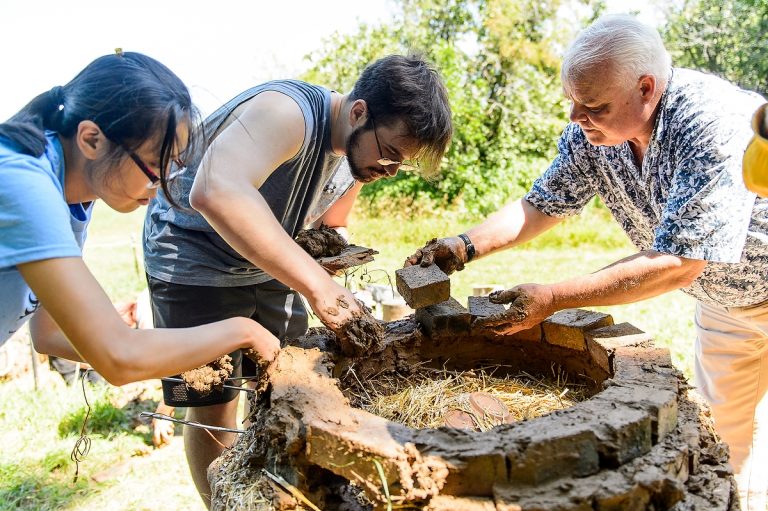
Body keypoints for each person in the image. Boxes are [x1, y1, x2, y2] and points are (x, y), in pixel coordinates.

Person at [406, 15, 767, 510]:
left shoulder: (708, 122)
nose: (576, 115)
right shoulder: (592, 130)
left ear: (646, 89)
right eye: (571, 101)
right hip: (729, 305)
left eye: (593, 105)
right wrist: (464, 245)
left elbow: (680, 262)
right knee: (725, 440)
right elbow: (540, 206)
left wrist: (554, 298)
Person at [143, 54, 452, 506]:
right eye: (389, 155)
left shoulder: (358, 151)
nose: (389, 171)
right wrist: (318, 287)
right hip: (195, 257)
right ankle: (223, 500)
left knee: (288, 380)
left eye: (400, 165)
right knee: (214, 401)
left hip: (262, 261)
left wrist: (332, 255)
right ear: (360, 111)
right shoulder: (287, 112)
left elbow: (330, 222)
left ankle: (274, 489)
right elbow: (214, 191)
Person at [0, 51, 279, 387]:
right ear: (92, 139)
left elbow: (50, 334)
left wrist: (169, 352)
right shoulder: (22, 184)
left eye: (172, 168)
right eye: (153, 168)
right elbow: (119, 357)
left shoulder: (71, 196)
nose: (161, 187)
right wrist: (241, 330)